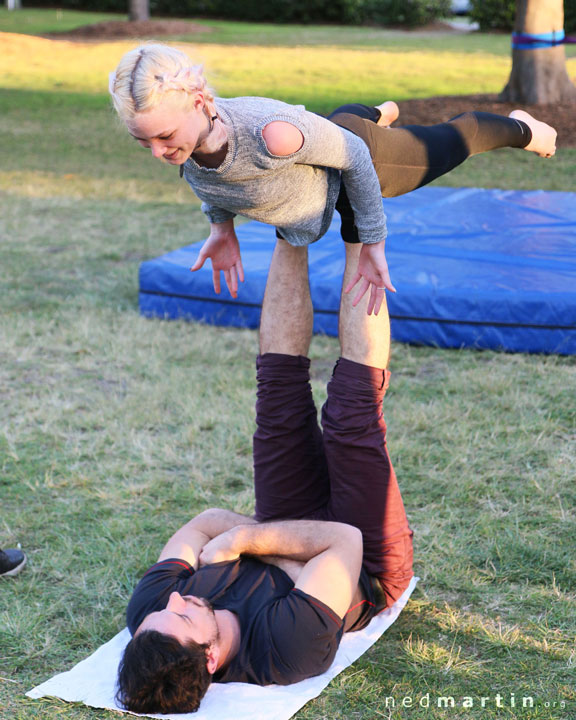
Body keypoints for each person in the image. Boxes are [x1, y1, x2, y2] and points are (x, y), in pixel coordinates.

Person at [115, 237, 414, 714]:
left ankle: (290, 222)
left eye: (162, 613)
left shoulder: (150, 614)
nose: (174, 601)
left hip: (293, 533)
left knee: (277, 393)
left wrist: (283, 557)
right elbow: (346, 540)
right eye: (184, 619)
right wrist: (241, 544)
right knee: (351, 415)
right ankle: (363, 217)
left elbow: (205, 519)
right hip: (370, 565)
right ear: (210, 658)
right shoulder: (286, 650)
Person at [108, 44, 557, 316]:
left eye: (164, 137)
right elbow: (212, 179)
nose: (158, 153)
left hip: (366, 159)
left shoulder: (273, 136)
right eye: (142, 142)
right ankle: (378, 112)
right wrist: (220, 227)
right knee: (340, 123)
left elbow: (355, 157)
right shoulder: (185, 144)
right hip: (325, 146)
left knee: (455, 139)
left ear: (200, 102)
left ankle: (522, 129)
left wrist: (373, 240)